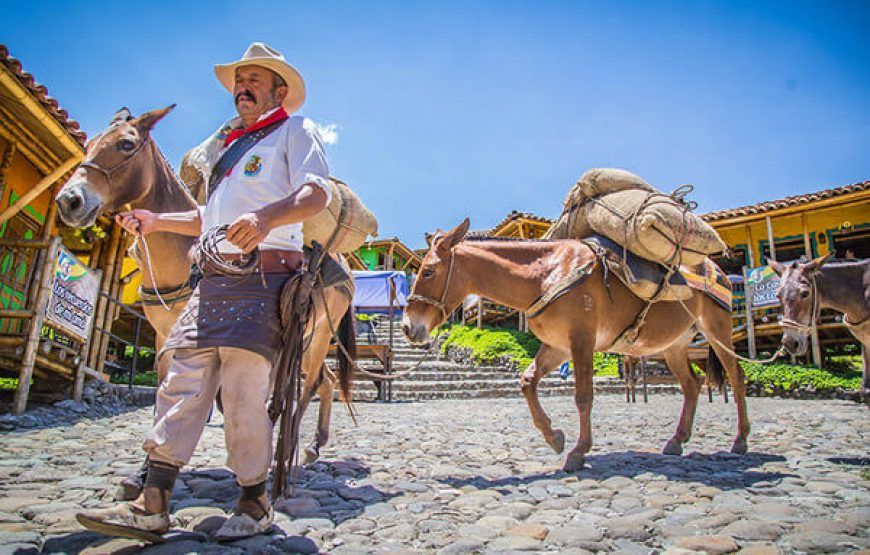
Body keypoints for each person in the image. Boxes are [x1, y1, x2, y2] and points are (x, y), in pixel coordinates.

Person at [76, 42, 331, 542]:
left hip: (264, 279)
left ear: (279, 91)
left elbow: (315, 193)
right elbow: (205, 217)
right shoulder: (224, 147)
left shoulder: (296, 132)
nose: (242, 87)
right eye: (240, 79)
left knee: (241, 394)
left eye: (254, 79)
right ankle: (153, 503)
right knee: (180, 382)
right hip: (210, 282)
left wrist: (265, 217)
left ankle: (254, 501)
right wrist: (155, 220)